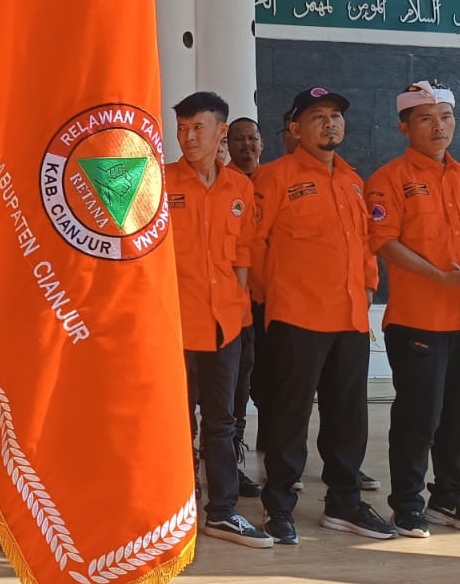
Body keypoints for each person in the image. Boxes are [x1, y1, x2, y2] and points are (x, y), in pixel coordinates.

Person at [365, 81, 460, 538]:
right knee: (418, 417)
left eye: (445, 116)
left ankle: (453, 498)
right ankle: (407, 503)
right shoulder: (389, 179)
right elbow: (384, 242)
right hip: (418, 318)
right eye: (425, 118)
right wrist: (442, 277)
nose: (438, 125)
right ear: (404, 126)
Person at [252, 87, 391, 546]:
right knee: (288, 417)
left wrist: (369, 287)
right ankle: (279, 507)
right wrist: (269, 298)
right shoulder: (274, 177)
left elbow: (365, 243)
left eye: (335, 116)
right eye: (317, 117)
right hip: (297, 316)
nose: (330, 124)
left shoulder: (353, 180)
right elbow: (252, 245)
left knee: (348, 416)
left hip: (350, 317)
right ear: (294, 128)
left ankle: (344, 503)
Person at [166, 92, 270, 549]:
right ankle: (176, 504)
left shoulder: (239, 189)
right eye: (182, 128)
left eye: (198, 128)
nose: (189, 137)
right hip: (174, 324)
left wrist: (241, 306)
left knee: (222, 421)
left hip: (226, 322)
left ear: (220, 133)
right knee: (175, 420)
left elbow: (243, 253)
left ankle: (222, 512)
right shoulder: (161, 183)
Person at [224, 115, 265, 497]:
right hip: (232, 306)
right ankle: (223, 467)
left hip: (273, 303)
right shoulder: (222, 187)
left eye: (253, 138)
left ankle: (263, 454)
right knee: (230, 392)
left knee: (266, 387)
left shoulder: (273, 183)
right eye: (239, 139)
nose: (247, 145)